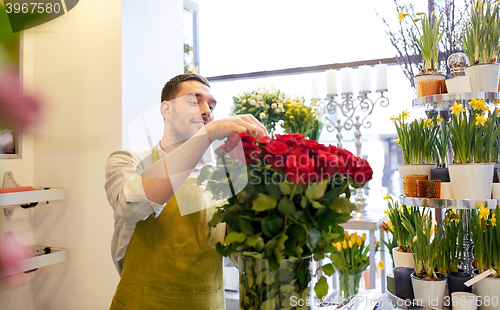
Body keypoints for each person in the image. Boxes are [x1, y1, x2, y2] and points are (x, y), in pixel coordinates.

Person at [104, 73, 267, 310]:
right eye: (194, 101)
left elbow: (241, 253)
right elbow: (131, 204)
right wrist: (208, 133)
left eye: (211, 105)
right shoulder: (129, 161)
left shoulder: (222, 177)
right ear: (166, 109)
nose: (206, 110)